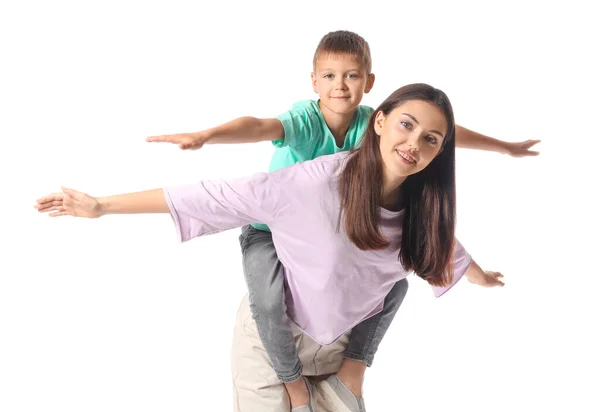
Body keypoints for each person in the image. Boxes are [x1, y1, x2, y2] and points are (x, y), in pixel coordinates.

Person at [36, 83, 505, 411]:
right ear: (379, 121)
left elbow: (446, 250)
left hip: (341, 347)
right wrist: (100, 205)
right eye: (405, 124)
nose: (413, 143)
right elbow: (214, 195)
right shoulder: (314, 184)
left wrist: (482, 276)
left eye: (430, 139)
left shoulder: (424, 209)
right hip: (274, 336)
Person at [144, 30, 537, 410]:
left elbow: (439, 132)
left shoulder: (374, 124)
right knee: (267, 299)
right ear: (313, 81)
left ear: (369, 83)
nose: (341, 87)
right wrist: (207, 135)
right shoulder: (305, 121)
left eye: (352, 76)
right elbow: (259, 126)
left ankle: (354, 369)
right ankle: (293, 384)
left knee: (394, 282)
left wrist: (502, 147)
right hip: (269, 231)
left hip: (328, 240)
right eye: (330, 76)